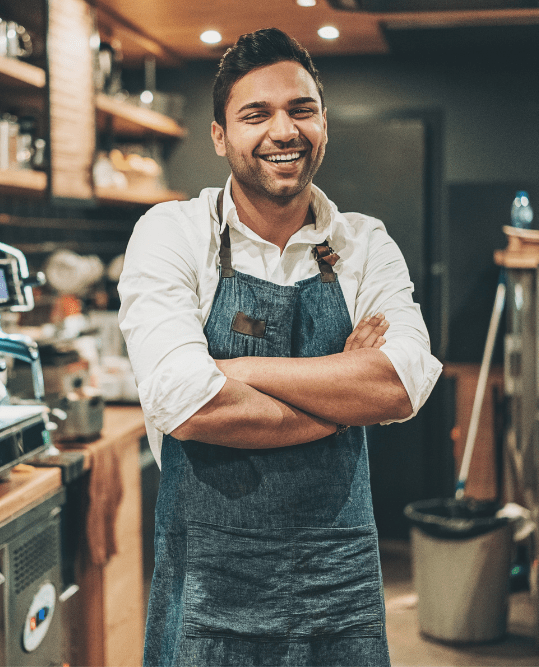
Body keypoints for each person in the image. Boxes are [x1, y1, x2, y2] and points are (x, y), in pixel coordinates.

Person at [118, 27, 442, 667]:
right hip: (210, 582)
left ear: (324, 122)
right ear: (219, 136)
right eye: (255, 114)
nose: (283, 131)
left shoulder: (363, 244)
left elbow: (401, 384)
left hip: (339, 576)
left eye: (301, 109)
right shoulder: (174, 233)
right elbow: (190, 405)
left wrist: (236, 369)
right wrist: (343, 390)